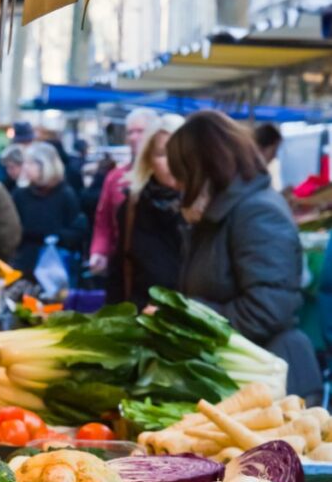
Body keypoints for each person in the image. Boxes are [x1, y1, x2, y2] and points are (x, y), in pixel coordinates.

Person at [167, 110, 322, 401]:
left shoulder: (255, 212)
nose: (176, 184)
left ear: (202, 166)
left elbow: (267, 310)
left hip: (275, 386)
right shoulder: (220, 214)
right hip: (245, 384)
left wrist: (188, 314)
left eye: (181, 173)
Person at [109, 114, 185, 307]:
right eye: (162, 154)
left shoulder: (208, 208)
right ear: (149, 159)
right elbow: (118, 272)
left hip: (196, 326)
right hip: (142, 323)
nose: (172, 162)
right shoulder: (132, 207)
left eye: (179, 152)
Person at [89, 108, 158, 277]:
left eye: (140, 131)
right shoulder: (115, 177)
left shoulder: (164, 175)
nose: (134, 137)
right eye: (130, 132)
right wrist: (99, 251)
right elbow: (103, 222)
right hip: (121, 265)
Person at [11, 143, 88, 278]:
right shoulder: (20, 194)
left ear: (45, 165)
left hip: (57, 268)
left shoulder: (65, 194)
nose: (25, 168)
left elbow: (77, 232)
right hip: (25, 266)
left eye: (30, 163)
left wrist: (52, 236)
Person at [0, 122, 33, 186]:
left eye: (28, 142)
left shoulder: (32, 159)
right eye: (22, 142)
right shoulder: (0, 159)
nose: (25, 146)